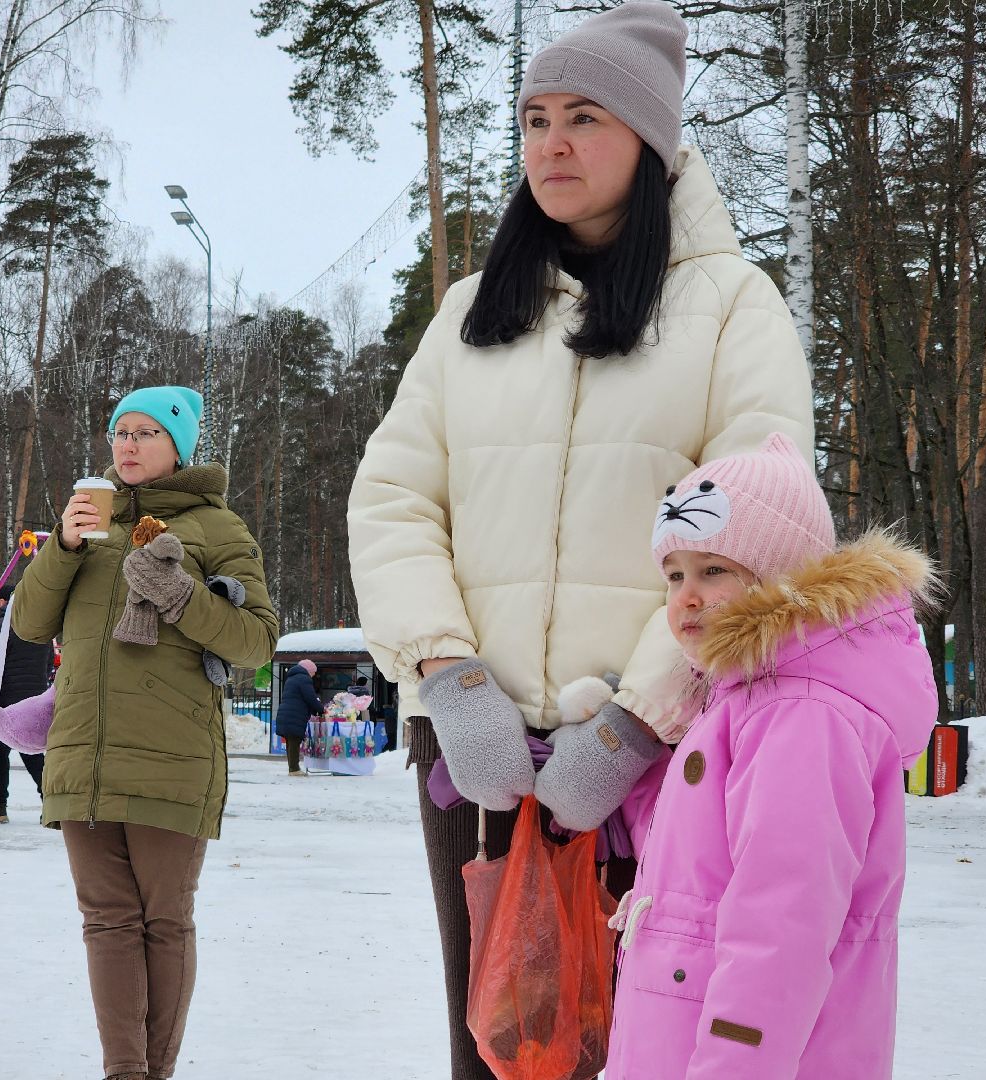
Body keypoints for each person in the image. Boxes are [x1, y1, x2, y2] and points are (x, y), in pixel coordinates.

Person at [345, 3, 816, 1075]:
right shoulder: (474, 314)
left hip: (657, 764)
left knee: (638, 1037)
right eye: (533, 118)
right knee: (500, 1040)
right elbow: (394, 499)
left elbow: (756, 517)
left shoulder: (732, 308)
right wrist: (448, 674)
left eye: (585, 118)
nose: (551, 143)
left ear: (649, 142)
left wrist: (642, 721)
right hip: (478, 757)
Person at [580, 433, 937, 1078]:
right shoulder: (748, 701)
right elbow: (703, 859)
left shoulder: (803, 715)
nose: (687, 595)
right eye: (675, 575)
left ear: (783, 579)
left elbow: (783, 924)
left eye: (714, 570)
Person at [12, 384, 278, 1080]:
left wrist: (183, 599)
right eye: (119, 432)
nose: (126, 445)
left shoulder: (216, 528)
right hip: (83, 759)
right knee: (106, 922)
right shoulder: (87, 525)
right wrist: (64, 546)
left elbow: (256, 643)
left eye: (144, 433)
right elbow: (29, 625)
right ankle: (123, 1071)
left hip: (172, 757)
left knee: (163, 922)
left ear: (178, 446)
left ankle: (152, 1071)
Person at [0, 582, 53, 823]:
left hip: (3, 704)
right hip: (34, 703)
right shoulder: (42, 629)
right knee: (34, 756)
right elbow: (49, 663)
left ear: (2, 602)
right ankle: (51, 805)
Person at [274, 659, 323, 777]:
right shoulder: (304, 679)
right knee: (294, 740)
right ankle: (294, 769)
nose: (313, 675)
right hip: (295, 714)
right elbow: (310, 697)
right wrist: (321, 709)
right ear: (308, 671)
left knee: (291, 742)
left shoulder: (291, 678)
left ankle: (292, 768)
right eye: (313, 672)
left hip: (287, 713)